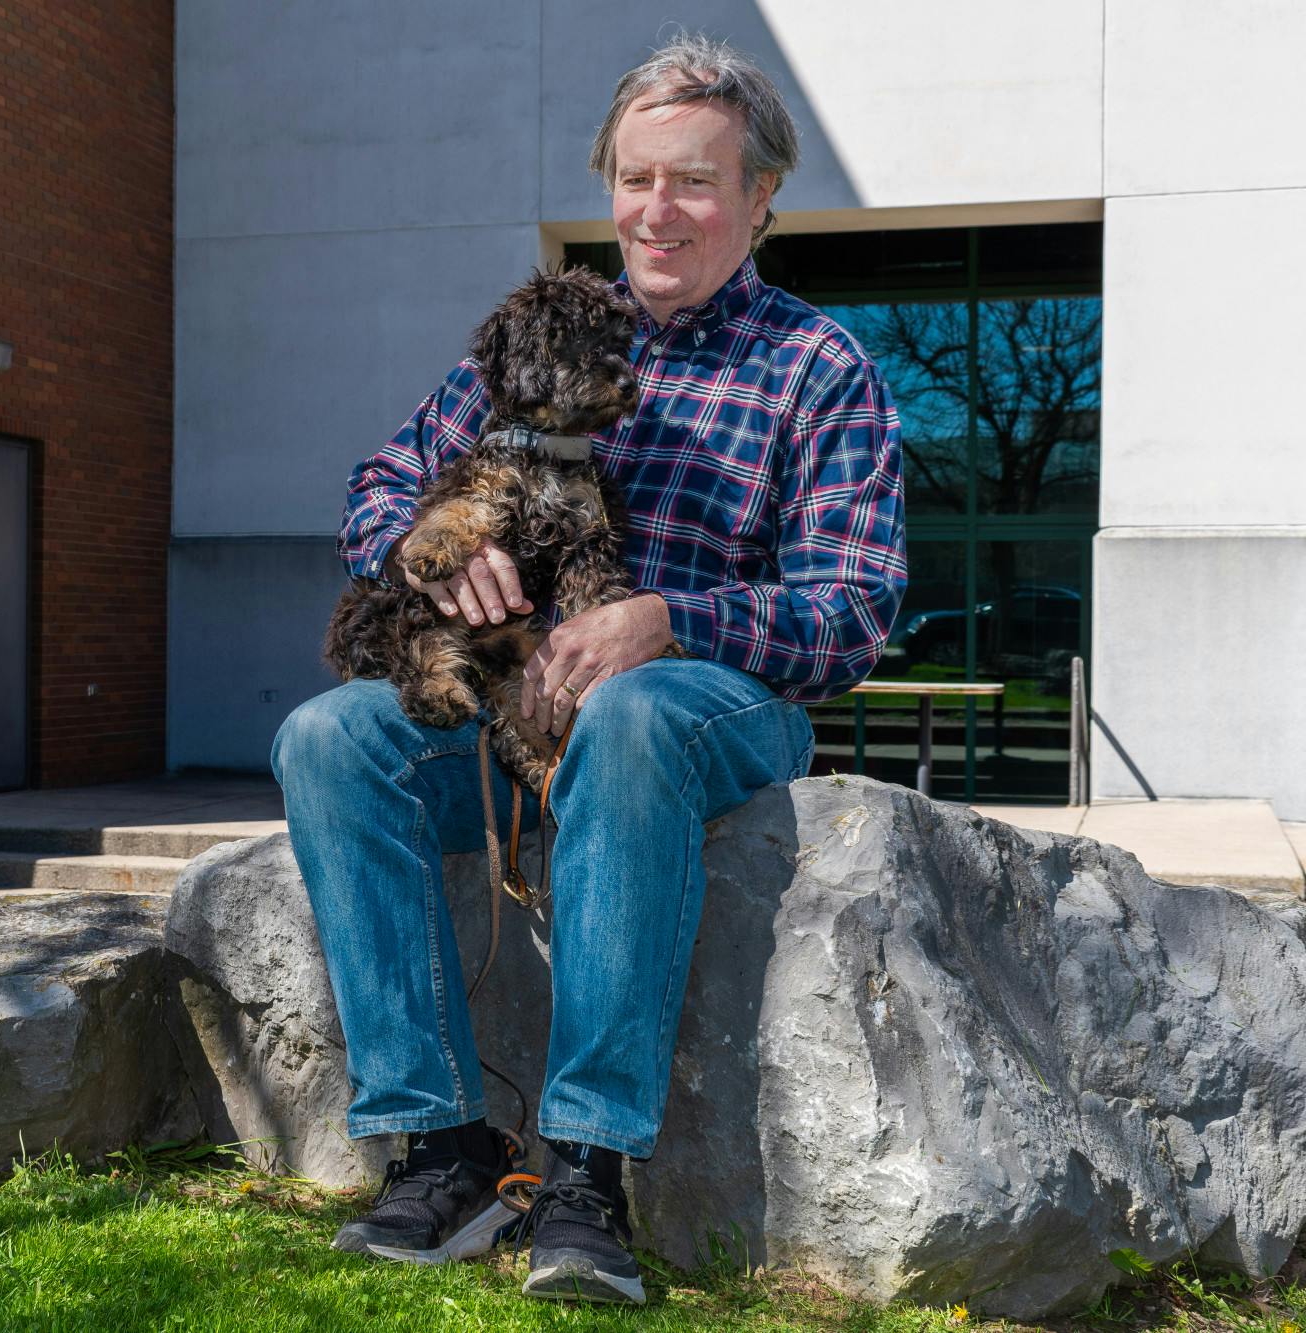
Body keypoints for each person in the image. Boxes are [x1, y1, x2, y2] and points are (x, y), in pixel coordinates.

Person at [269, 35, 908, 1305]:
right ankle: (441, 1142)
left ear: (760, 198)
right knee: (330, 737)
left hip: (704, 713)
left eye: (693, 182)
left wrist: (666, 620)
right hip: (509, 711)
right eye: (633, 179)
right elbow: (381, 484)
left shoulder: (814, 365)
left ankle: (585, 1173)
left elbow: (854, 607)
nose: (654, 212)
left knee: (628, 714)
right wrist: (426, 554)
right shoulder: (540, 333)